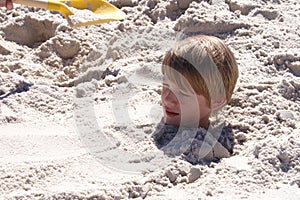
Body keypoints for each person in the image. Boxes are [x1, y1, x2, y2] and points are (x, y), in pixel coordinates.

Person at [153, 35, 239, 164]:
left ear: (216, 100)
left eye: (182, 93)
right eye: (165, 86)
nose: (167, 99)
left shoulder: (204, 148)